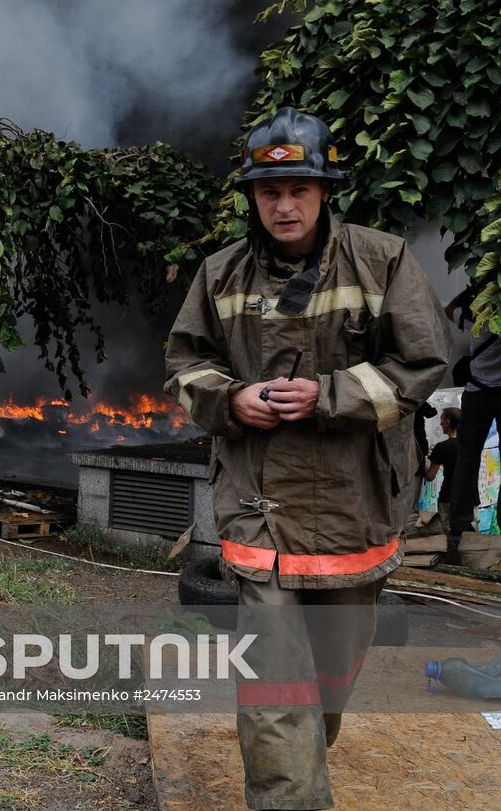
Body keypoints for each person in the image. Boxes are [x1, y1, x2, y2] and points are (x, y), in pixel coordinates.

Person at [164, 107, 451, 811]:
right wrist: (233, 400)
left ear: (326, 192)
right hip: (258, 510)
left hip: (354, 508)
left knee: (327, 678)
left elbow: (422, 363)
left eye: (299, 189)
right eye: (269, 193)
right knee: (275, 687)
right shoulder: (220, 274)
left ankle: (299, 759)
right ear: (252, 199)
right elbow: (184, 366)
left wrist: (329, 394)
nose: (284, 206)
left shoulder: (381, 259)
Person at [443, 290, 501, 562]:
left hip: (476, 393)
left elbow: (449, 308)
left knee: (467, 460)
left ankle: (459, 525)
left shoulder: (474, 317)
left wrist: (473, 288)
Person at [426, 407, 463, 540]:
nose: (440, 424)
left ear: (447, 422)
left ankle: (451, 558)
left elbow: (430, 476)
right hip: (470, 498)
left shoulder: (442, 447)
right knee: (469, 535)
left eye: (441, 421)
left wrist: (423, 464)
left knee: (450, 537)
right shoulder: (469, 445)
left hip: (449, 496)